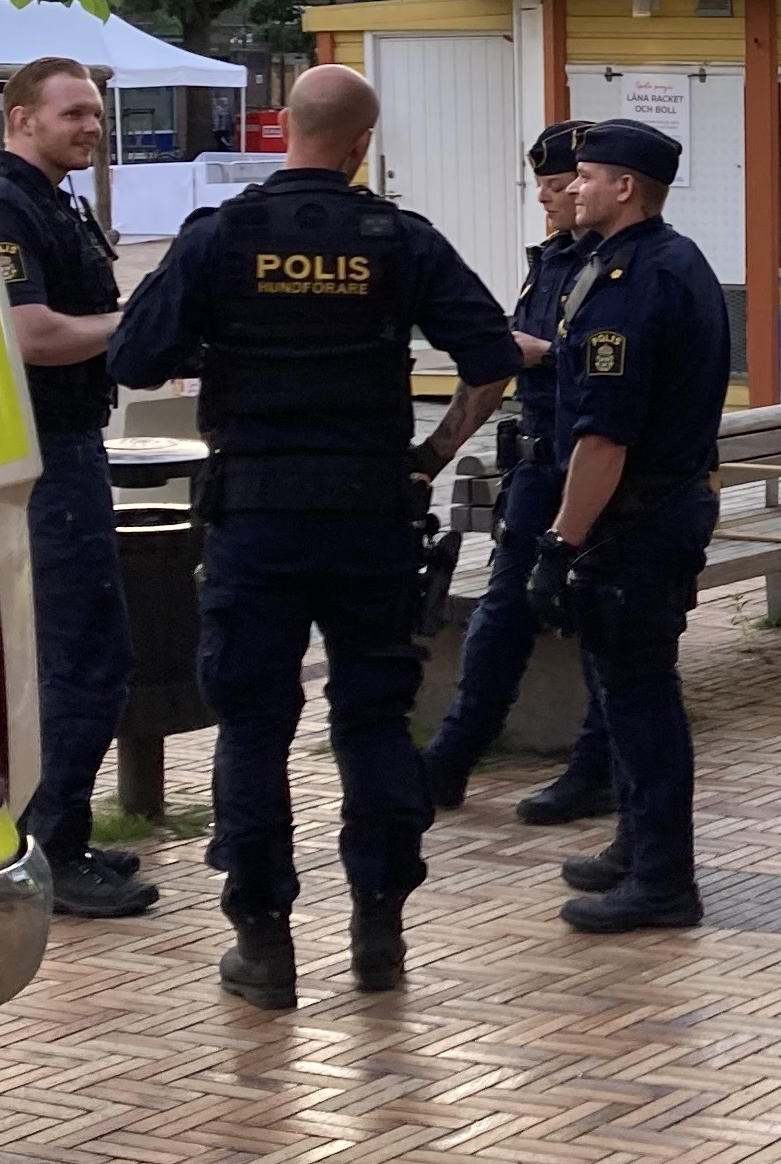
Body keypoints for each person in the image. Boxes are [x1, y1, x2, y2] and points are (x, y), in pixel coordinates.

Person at [107, 65, 530, 1008]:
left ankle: (263, 944)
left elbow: (135, 356)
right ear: (360, 147)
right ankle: (379, 931)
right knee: (373, 720)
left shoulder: (220, 238)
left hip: (255, 518)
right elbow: (494, 360)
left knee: (253, 728)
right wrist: (428, 457)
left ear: (285, 133)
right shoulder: (400, 239)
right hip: (372, 516)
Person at [528, 117, 734, 933]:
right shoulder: (660, 261)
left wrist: (559, 543)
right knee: (625, 693)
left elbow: (605, 437)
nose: (570, 188)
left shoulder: (633, 283)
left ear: (623, 187)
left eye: (584, 176)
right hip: (664, 507)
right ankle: (636, 845)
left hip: (638, 521)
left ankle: (663, 880)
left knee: (641, 694)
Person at [0, 56, 157, 922]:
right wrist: (141, 323)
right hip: (45, 452)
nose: (91, 126)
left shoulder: (52, 199)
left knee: (87, 650)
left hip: (71, 444)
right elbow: (33, 336)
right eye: (74, 113)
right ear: (20, 119)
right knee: (81, 654)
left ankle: (64, 834)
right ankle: (50, 848)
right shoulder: (5, 204)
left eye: (96, 114)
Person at [416, 124, 621, 826]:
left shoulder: (629, 268)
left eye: (560, 184)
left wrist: (546, 355)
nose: (546, 196)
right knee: (504, 611)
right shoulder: (553, 261)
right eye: (541, 183)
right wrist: (432, 457)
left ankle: (598, 765)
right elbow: (495, 369)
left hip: (597, 464)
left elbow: (626, 375)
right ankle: (452, 755)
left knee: (600, 614)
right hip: (536, 466)